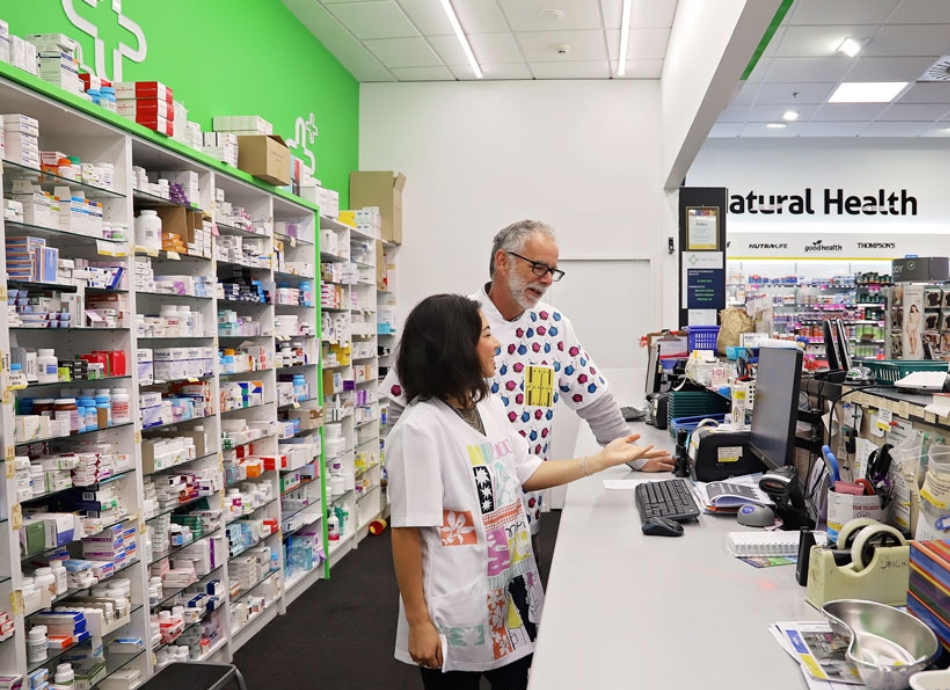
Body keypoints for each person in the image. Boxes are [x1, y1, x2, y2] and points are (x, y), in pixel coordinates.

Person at [389, 294, 671, 689]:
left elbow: (525, 470)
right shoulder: (419, 430)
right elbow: (406, 530)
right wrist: (419, 622)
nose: (498, 344)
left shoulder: (485, 405)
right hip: (454, 608)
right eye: (487, 335)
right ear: (457, 349)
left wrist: (600, 460)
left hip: (508, 594)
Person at [382, 220, 675, 540]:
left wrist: (633, 456)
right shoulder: (452, 323)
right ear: (502, 261)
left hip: (525, 502)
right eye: (538, 267)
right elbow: (400, 405)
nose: (547, 279)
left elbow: (594, 398)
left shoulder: (553, 326)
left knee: (521, 584)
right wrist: (407, 488)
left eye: (552, 271)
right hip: (454, 515)